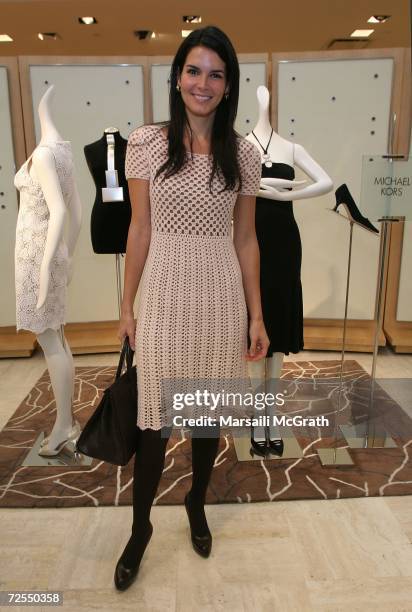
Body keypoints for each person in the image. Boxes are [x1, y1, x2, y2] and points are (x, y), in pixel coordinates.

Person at [116, 25, 269, 591]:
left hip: (221, 295)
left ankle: (196, 501)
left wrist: (255, 315)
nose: (203, 83)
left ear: (228, 87)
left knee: (205, 416)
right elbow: (139, 227)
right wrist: (127, 306)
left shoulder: (243, 153)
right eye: (194, 70)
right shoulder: (147, 142)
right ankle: (139, 529)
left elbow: (247, 238)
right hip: (162, 293)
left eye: (216, 74)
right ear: (178, 76)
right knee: (153, 421)